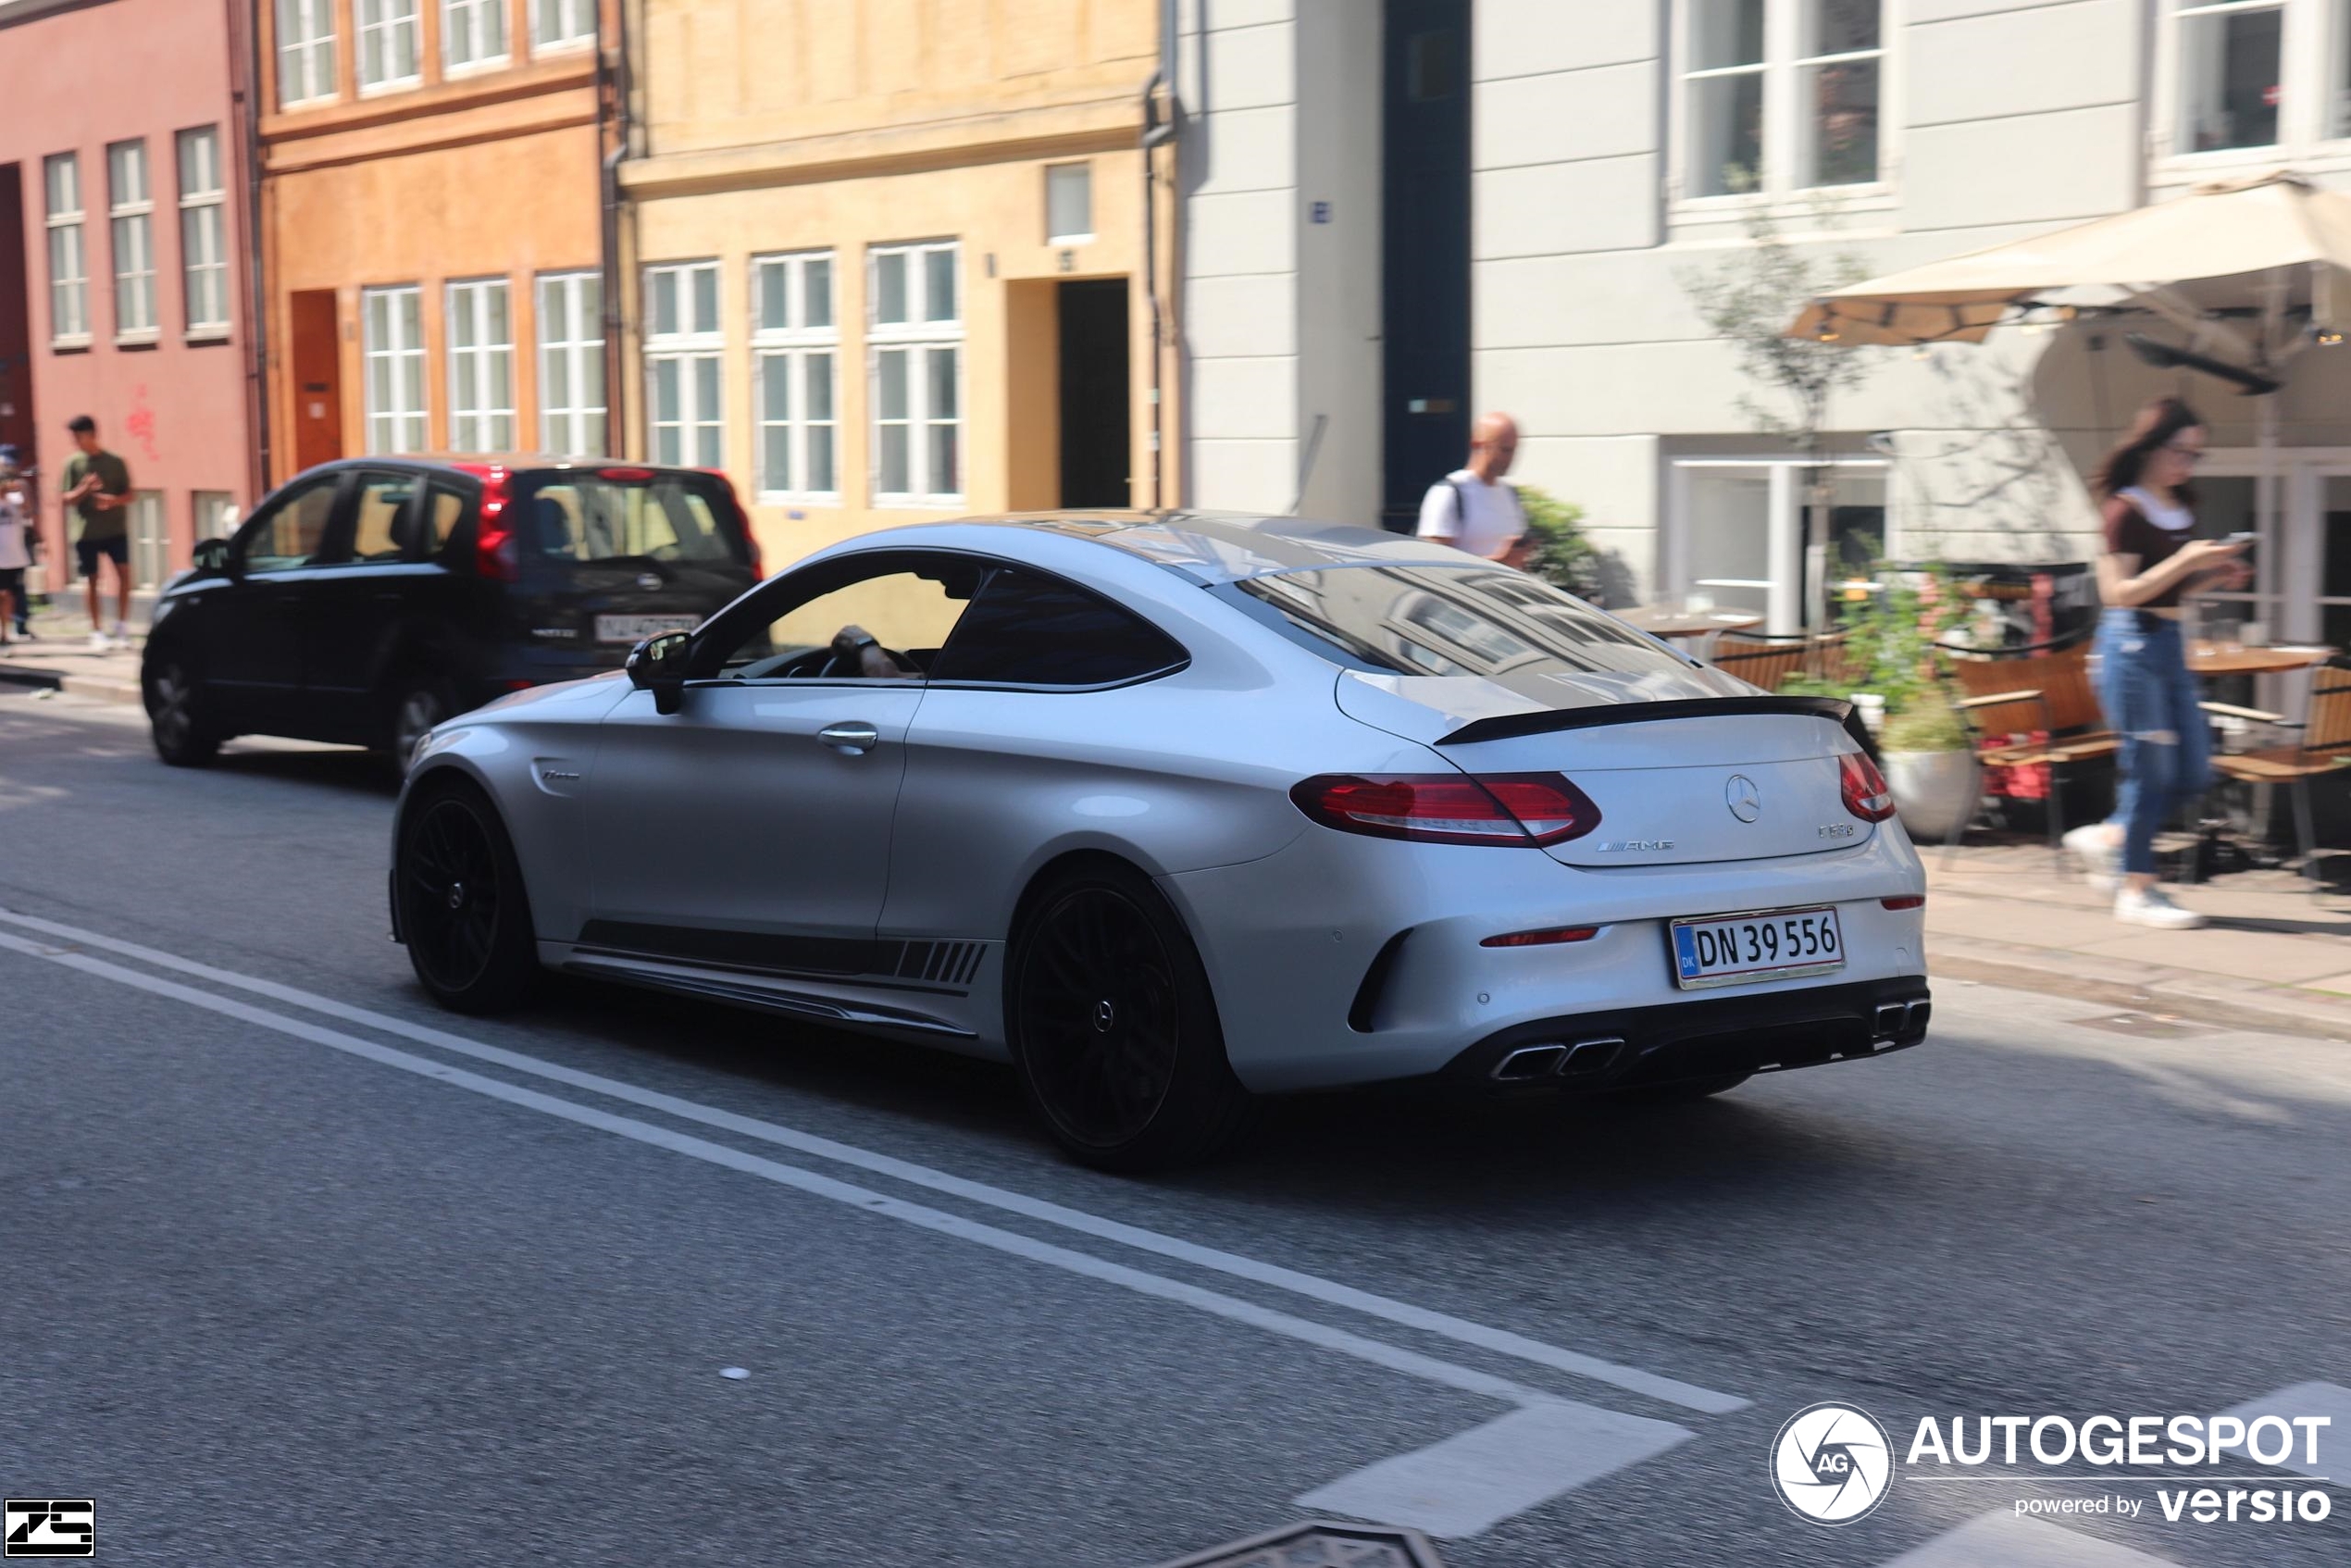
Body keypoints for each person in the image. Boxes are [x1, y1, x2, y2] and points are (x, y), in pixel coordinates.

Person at [2062, 397, 2251, 929]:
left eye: (2196, 455)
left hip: (2169, 642)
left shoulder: (2180, 506)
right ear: (2149, 446)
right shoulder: (2125, 509)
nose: (2188, 464)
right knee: (2149, 770)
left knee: (2193, 770)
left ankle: (2109, 836)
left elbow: (2172, 590)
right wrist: (2189, 558)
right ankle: (2137, 890)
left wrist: (2215, 576)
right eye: (2181, 451)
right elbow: (2118, 592)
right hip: (2129, 648)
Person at [1417, 412, 1533, 567]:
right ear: (1478, 445)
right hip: (1461, 592)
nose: (1511, 457)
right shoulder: (1449, 493)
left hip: (1503, 591)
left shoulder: (1510, 494)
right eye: (1504, 450)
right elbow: (1434, 565)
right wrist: (1499, 562)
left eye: (1513, 450)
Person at [59, 415, 133, 649]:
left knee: (124, 574)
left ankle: (121, 626)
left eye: (78, 436)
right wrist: (85, 488)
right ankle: (96, 630)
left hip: (115, 529)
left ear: (91, 434)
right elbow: (65, 499)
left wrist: (113, 501)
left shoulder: (115, 461)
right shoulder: (73, 464)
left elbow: (130, 495)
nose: (75, 441)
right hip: (86, 532)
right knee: (91, 580)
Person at [0, 446, 30, 646]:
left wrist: (19, 486)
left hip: (12, 555)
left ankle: (5, 631)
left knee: (8, 594)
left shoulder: (16, 496)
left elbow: (27, 507)